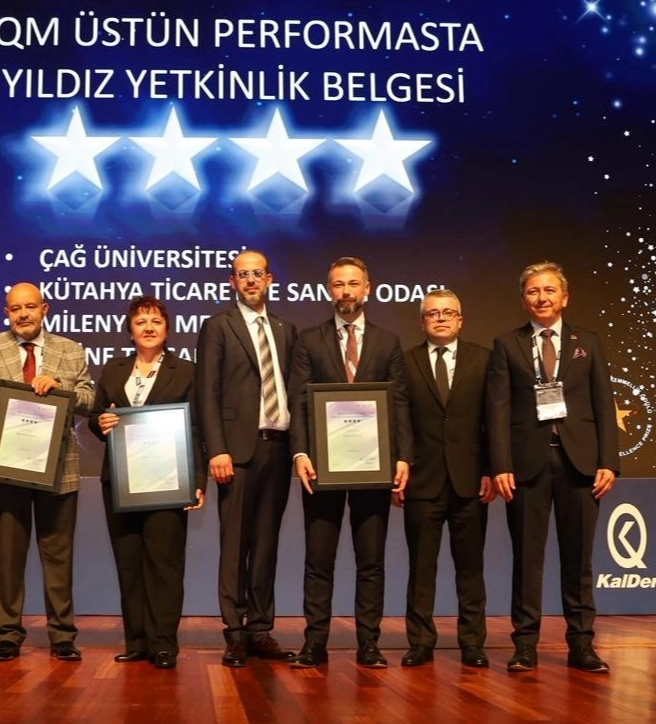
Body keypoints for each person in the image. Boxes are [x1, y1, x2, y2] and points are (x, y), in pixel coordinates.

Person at [487, 261, 619, 674]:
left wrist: (608, 462)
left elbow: (604, 403)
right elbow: (497, 409)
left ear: (564, 297)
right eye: (533, 291)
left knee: (578, 560)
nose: (541, 298)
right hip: (526, 465)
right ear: (523, 299)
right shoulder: (506, 344)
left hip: (580, 464)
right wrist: (500, 464)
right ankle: (525, 644)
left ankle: (581, 644)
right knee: (527, 559)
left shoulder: (588, 342)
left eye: (548, 290)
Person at [288, 256, 414, 669]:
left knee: (371, 561)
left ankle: (369, 644)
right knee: (318, 561)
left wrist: (403, 457)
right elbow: (298, 401)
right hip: (321, 468)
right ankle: (315, 643)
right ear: (330, 290)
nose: (346, 291)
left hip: (373, 467)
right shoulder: (309, 340)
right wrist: (300, 452)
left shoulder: (387, 342)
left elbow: (399, 403)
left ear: (367, 289)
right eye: (339, 284)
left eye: (353, 283)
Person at [0, 282, 94, 662]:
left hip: (59, 470)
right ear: (7, 312)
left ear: (44, 309)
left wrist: (61, 386)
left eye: (30, 307)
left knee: (58, 557)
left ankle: (62, 635)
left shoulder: (70, 349)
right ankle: (8, 634)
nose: (23, 314)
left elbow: (89, 399)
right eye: (15, 308)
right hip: (5, 469)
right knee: (9, 557)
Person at [88, 295, 206, 670]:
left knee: (164, 565)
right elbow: (95, 418)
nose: (149, 327)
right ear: (130, 331)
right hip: (121, 482)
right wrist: (101, 423)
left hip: (168, 481)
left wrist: (197, 480)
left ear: (167, 329)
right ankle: (137, 641)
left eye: (155, 321)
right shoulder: (113, 369)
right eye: (141, 322)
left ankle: (164, 643)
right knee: (129, 563)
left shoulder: (185, 371)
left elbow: (198, 429)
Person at [195, 249, 298, 667]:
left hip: (278, 448)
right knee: (235, 546)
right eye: (243, 274)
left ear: (270, 278)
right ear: (233, 282)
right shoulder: (218, 326)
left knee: (267, 545)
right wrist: (216, 448)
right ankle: (234, 633)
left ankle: (260, 629)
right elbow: (207, 391)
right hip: (235, 452)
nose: (251, 280)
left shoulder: (286, 329)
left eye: (257, 273)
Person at [397, 289, 495, 669]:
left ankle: (472, 643)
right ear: (422, 322)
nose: (440, 319)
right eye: (432, 314)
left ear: (460, 320)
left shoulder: (483, 360)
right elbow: (399, 422)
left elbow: (493, 420)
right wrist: (399, 469)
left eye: (448, 313)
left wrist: (490, 469)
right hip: (422, 482)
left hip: (470, 481)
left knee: (471, 569)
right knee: (421, 569)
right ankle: (420, 642)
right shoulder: (406, 362)